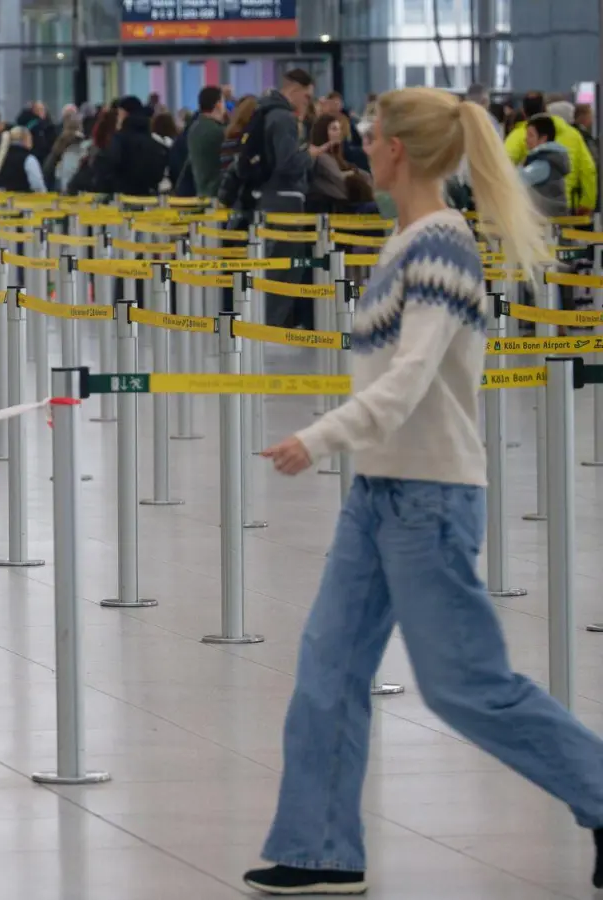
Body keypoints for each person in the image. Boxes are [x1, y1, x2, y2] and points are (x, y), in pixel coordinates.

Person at [244, 85, 603, 898]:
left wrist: (317, 436)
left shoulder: (441, 247)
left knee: (466, 685)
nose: (362, 146)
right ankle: (318, 850)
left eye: (370, 136)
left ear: (396, 150)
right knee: (327, 668)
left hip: (430, 499)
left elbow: (407, 385)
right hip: (380, 494)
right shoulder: (406, 242)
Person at [228, 69, 317, 328]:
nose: (307, 103)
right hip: (285, 203)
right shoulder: (283, 118)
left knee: (272, 266)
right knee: (283, 270)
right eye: (307, 97)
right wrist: (310, 155)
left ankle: (263, 324)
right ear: (296, 90)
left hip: (266, 199)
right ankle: (269, 328)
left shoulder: (264, 112)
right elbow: (286, 162)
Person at [503, 93, 595, 213]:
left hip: (539, 208)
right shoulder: (573, 134)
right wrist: (587, 202)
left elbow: (504, 164)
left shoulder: (519, 134)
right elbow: (588, 169)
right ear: (545, 108)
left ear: (524, 111)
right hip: (570, 204)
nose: (527, 139)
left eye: (530, 137)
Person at [92, 96, 169, 196]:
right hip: (149, 201)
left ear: (124, 113)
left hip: (122, 201)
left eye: (118, 114)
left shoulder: (119, 140)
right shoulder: (155, 144)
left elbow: (108, 170)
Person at [307, 113, 375, 213]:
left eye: (339, 129)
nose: (338, 132)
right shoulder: (321, 157)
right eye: (334, 129)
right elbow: (339, 178)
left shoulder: (337, 157)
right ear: (323, 132)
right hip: (337, 207)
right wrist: (353, 174)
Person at [520, 114, 572, 217]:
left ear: (543, 138)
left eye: (530, 135)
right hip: (555, 220)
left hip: (547, 221)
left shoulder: (543, 163)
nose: (526, 139)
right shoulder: (551, 159)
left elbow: (517, 180)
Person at [188, 85, 229, 200]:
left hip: (201, 190)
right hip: (216, 193)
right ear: (218, 105)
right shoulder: (217, 131)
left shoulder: (194, 127)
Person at [0, 125, 45, 192]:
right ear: (25, 139)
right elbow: (37, 185)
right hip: (24, 200)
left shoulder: (1, 158)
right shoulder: (28, 159)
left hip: (5, 201)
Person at [45, 116, 89, 193]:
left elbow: (49, 165)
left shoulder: (60, 141)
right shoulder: (81, 142)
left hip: (58, 181)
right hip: (74, 183)